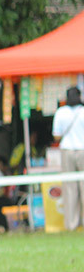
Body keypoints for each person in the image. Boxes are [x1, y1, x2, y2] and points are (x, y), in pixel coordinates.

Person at [52, 86, 84, 230]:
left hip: (67, 150)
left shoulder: (61, 112)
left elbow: (56, 136)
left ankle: (71, 224)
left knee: (70, 188)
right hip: (83, 150)